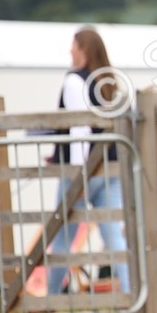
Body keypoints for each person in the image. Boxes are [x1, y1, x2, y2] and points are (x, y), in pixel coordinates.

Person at [44, 27, 130, 296]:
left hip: (83, 170)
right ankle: (131, 295)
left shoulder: (74, 81)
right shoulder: (110, 82)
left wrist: (78, 175)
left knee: (62, 238)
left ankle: (52, 298)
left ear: (83, 50)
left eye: (74, 46)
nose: (70, 51)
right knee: (114, 236)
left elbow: (79, 129)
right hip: (110, 169)